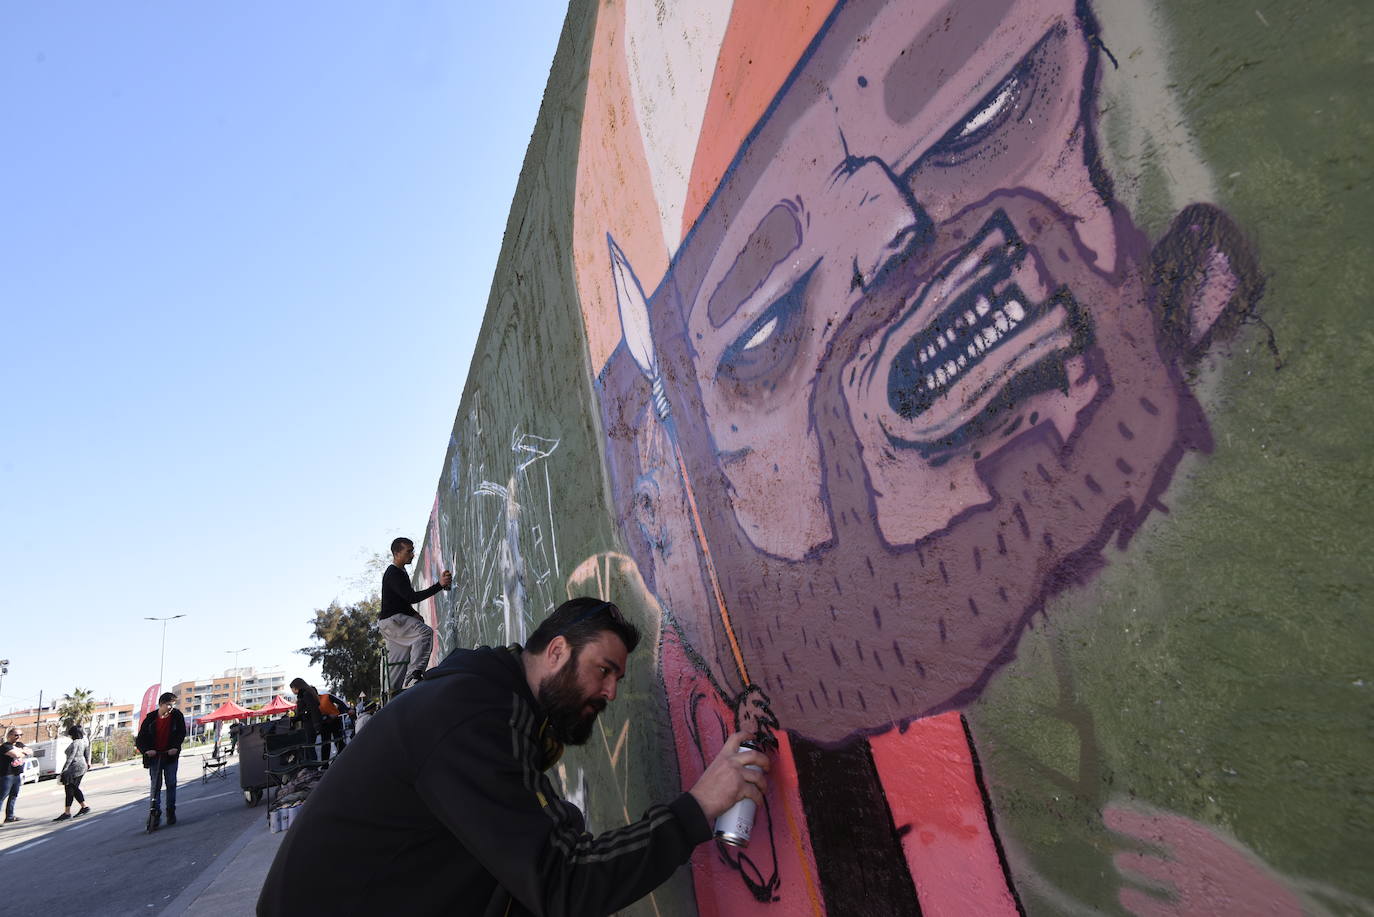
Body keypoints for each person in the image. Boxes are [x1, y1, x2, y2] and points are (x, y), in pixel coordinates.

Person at [258, 597, 769, 916]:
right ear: (556, 652)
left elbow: (538, 848)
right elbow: (564, 880)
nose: (611, 692)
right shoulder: (474, 722)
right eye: (604, 670)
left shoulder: (484, 699)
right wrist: (698, 806)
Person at [379, 536, 452, 694]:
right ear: (397, 553)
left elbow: (399, 600)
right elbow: (411, 597)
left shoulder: (400, 572)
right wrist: (440, 585)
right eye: (409, 551)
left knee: (400, 662)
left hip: (390, 624)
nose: (412, 555)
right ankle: (413, 677)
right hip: (393, 621)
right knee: (424, 633)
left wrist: (413, 613)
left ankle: (392, 694)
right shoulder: (394, 573)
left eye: (412, 551)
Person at [135, 692, 187, 831]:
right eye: (168, 704)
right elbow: (140, 739)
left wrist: (175, 747)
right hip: (155, 757)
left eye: (173, 704)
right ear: (161, 704)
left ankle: (171, 810)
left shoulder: (177, 716)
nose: (171, 707)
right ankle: (155, 813)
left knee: (171, 783)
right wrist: (146, 750)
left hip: (169, 755)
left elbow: (181, 733)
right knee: (155, 786)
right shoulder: (151, 718)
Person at [53, 724, 92, 821]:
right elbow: (86, 753)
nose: (70, 736)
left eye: (70, 734)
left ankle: (68, 812)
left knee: (70, 788)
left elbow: (71, 757)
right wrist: (88, 763)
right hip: (82, 766)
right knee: (73, 788)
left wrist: (64, 770)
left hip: (74, 767)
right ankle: (83, 807)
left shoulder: (75, 743)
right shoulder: (84, 742)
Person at [0, 727, 32, 823]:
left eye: (20, 735)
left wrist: (21, 751)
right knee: (2, 796)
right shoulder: (5, 746)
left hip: (17, 774)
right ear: (9, 735)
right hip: (6, 775)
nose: (18, 737)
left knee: (14, 795)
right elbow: (15, 755)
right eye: (16, 735)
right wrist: (22, 752)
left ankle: (9, 816)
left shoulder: (19, 744)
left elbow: (30, 751)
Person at [288, 678, 323, 760]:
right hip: (308, 723)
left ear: (296, 687)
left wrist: (316, 725)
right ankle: (311, 766)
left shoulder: (306, 694)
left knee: (309, 746)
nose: (292, 691)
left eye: (292, 689)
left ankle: (314, 767)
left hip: (310, 723)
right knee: (308, 746)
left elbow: (313, 709)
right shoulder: (305, 694)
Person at [317, 691, 350, 759]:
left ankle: (345, 756)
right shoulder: (313, 703)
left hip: (335, 721)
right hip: (325, 724)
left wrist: (347, 710)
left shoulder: (326, 696)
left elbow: (340, 702)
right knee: (326, 744)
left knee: (338, 740)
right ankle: (325, 764)